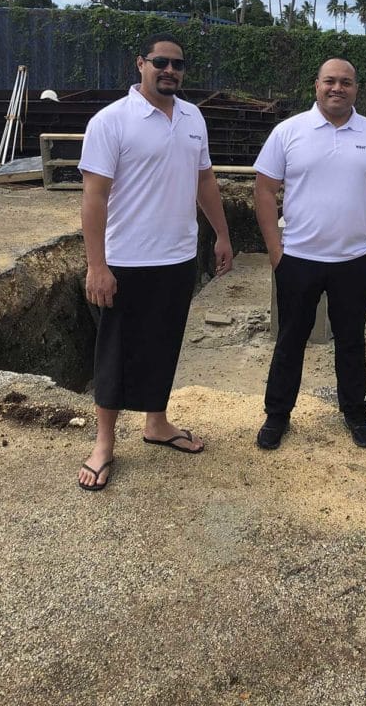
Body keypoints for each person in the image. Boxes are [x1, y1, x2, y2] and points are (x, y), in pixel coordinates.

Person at [77, 33, 233, 491]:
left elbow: (204, 180)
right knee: (115, 353)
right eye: (161, 62)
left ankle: (157, 423)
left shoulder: (192, 117)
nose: (170, 71)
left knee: (164, 343)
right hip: (125, 259)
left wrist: (222, 234)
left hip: (178, 256)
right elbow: (94, 198)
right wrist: (97, 265)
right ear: (140, 64)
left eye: (178, 65)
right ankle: (104, 443)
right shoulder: (112, 122)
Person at [254, 57, 366, 450]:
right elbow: (264, 190)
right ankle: (277, 415)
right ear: (316, 85)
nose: (338, 88)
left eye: (346, 82)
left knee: (351, 341)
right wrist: (275, 251)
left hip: (356, 262)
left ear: (356, 88)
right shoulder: (289, 132)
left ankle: (355, 412)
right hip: (298, 260)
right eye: (330, 81)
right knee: (290, 340)